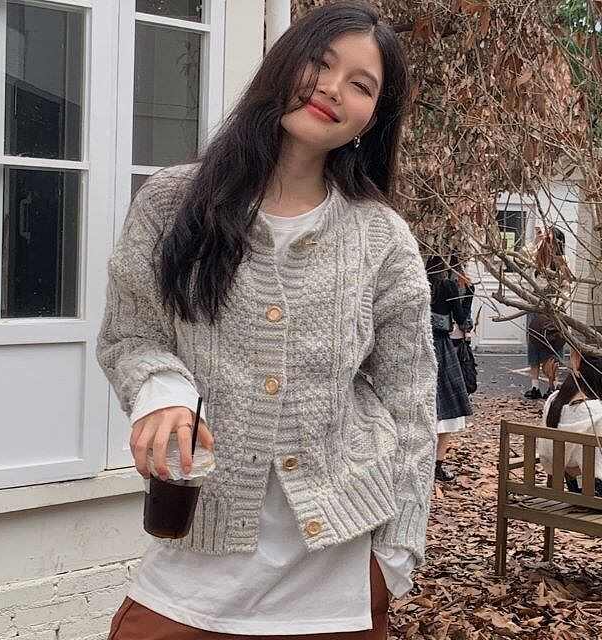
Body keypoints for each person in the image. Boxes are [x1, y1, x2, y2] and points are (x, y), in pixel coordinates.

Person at [96, 3, 437, 639]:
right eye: (321, 63)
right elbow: (132, 335)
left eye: (361, 85)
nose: (332, 89)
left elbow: (411, 402)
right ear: (283, 64)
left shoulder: (381, 238)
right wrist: (164, 392)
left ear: (373, 117)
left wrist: (395, 556)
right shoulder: (173, 203)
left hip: (337, 581)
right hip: (196, 564)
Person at [426, 255, 473, 483]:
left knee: (426, 404)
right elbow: (463, 321)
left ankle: (422, 461)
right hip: (442, 348)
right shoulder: (448, 285)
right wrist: (469, 295)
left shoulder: (419, 282)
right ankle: (437, 464)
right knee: (447, 410)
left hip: (419, 345)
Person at [538, 349, 602, 497]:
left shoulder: (554, 401)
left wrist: (552, 382)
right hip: (597, 492)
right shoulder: (596, 411)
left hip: (576, 489)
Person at [524, 226, 568, 400]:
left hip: (553, 310)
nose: (547, 242)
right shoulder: (537, 255)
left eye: (550, 238)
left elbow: (566, 287)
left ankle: (552, 386)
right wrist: (536, 240)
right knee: (533, 346)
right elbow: (522, 256)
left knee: (553, 347)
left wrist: (557, 306)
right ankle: (534, 386)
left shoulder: (562, 261)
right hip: (535, 306)